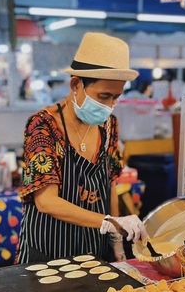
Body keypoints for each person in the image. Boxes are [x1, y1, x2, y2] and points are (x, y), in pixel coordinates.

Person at [17, 32, 148, 264]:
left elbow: (110, 183)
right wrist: (109, 222)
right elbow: (46, 201)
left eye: (116, 97)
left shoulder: (109, 125)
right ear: (76, 84)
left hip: (93, 251)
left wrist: (116, 239)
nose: (109, 106)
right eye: (103, 96)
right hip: (49, 252)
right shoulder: (43, 126)